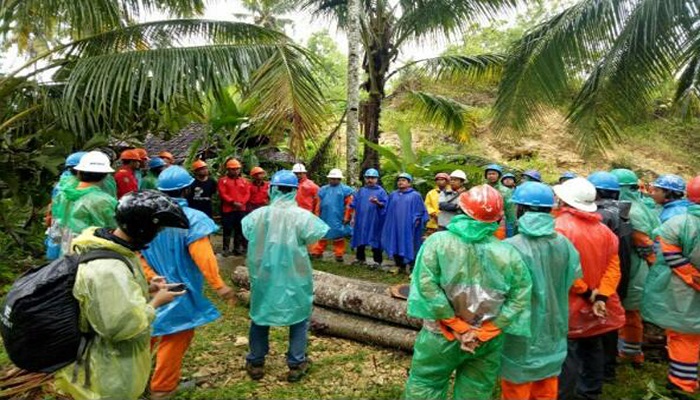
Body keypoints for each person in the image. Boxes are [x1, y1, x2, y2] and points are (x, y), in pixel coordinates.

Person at [54, 190, 188, 400]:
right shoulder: (109, 269)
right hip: (105, 370)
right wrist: (156, 303)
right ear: (144, 228)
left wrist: (146, 288)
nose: (158, 233)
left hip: (101, 361)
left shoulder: (110, 247)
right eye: (157, 228)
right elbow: (120, 326)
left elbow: (109, 298)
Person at [404, 185, 532, 400]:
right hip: (486, 340)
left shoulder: (437, 242)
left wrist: (456, 325)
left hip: (441, 333)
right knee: (476, 389)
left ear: (461, 209)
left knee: (427, 383)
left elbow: (426, 286)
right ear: (498, 218)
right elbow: (520, 297)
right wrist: (488, 330)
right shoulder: (508, 253)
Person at [141, 166, 236, 399]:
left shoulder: (144, 217)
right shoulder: (192, 219)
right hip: (179, 291)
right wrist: (220, 286)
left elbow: (137, 253)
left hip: (153, 287)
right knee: (175, 337)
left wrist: (151, 277)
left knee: (146, 335)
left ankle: (136, 381)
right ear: (186, 190)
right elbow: (203, 257)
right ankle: (162, 389)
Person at [241, 170, 329, 383]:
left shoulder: (257, 215)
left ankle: (256, 361)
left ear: (272, 189)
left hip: (264, 274)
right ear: (295, 191)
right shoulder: (303, 217)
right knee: (299, 316)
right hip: (294, 275)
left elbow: (247, 232)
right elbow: (315, 236)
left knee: (260, 314)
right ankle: (296, 363)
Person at [501, 182, 582, 400]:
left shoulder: (510, 247)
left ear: (521, 209)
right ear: (549, 210)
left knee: (517, 381)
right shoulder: (564, 244)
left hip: (520, 328)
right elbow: (575, 279)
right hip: (554, 324)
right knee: (547, 378)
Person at [553, 177, 625, 400]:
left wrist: (586, 292)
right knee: (593, 346)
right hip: (597, 304)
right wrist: (601, 296)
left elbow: (566, 270)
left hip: (570, 302)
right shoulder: (604, 230)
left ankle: (566, 395)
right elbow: (614, 267)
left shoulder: (559, 229)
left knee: (569, 353)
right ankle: (590, 393)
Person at [642, 176, 700, 395]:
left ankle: (682, 383)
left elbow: (669, 254)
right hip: (687, 286)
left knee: (683, 336)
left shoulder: (679, 223)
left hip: (683, 291)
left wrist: (693, 278)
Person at [610, 168, 660, 366]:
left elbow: (643, 242)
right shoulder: (642, 206)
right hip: (637, 266)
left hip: (636, 267)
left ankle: (631, 353)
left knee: (630, 310)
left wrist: (652, 262)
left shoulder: (632, 210)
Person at [587, 171, 634, 379]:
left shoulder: (600, 215)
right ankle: (609, 365)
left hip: (603, 271)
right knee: (612, 317)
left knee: (597, 317)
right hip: (621, 271)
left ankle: (600, 368)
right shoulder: (623, 211)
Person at [50, 151, 118, 257]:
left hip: (67, 248)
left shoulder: (63, 193)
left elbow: (56, 221)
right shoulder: (104, 201)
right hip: (92, 254)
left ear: (78, 172)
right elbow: (113, 228)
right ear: (106, 176)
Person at [381, 173, 428, 274]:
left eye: (403, 180)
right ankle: (399, 265)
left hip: (408, 226)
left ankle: (412, 268)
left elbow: (420, 210)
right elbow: (387, 209)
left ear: (409, 183)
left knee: (410, 243)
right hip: (394, 225)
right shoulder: (393, 194)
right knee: (395, 242)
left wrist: (417, 220)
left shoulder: (415, 195)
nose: (400, 182)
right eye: (399, 180)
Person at [311, 168, 354, 262]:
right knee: (322, 234)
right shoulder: (323, 189)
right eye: (331, 178)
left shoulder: (346, 190)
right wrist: (316, 215)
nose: (333, 180)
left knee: (338, 236)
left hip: (338, 217)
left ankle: (339, 254)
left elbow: (349, 205)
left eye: (336, 179)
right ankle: (317, 252)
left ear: (340, 179)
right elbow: (318, 204)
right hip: (324, 216)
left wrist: (347, 217)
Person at [350, 168, 388, 268]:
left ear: (377, 179)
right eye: (368, 178)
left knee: (375, 239)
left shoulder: (381, 192)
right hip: (361, 220)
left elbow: (385, 206)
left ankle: (377, 261)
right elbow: (354, 205)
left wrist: (377, 202)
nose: (370, 180)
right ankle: (360, 258)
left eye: (372, 178)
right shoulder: (361, 191)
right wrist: (353, 218)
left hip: (375, 221)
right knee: (360, 238)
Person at [218, 159, 250, 256]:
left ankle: (237, 248)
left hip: (241, 209)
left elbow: (247, 193)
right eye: (232, 169)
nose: (235, 171)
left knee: (239, 229)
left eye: (237, 169)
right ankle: (226, 248)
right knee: (227, 229)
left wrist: (242, 203)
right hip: (228, 209)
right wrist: (233, 202)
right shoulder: (223, 181)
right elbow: (222, 193)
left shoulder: (244, 181)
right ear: (228, 170)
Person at [484, 164, 517, 238]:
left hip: (497, 222)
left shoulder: (505, 191)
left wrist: (510, 227)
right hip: (481, 220)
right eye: (489, 174)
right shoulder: (482, 189)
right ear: (486, 175)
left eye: (494, 174)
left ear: (498, 176)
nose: (491, 176)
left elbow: (510, 211)